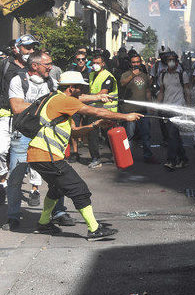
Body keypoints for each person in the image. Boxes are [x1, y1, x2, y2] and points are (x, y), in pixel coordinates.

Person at [28, 71, 142, 240]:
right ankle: (94, 229)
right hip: (47, 155)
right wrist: (125, 116)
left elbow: (74, 132)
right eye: (80, 87)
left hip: (39, 156)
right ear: (71, 88)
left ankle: (44, 223)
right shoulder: (63, 100)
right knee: (80, 190)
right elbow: (95, 111)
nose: (82, 90)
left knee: (57, 189)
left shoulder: (59, 101)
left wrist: (96, 125)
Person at [4, 52, 72, 231]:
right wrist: (46, 106)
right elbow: (17, 107)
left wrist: (96, 98)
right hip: (23, 136)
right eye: (47, 64)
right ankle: (13, 216)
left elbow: (65, 101)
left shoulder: (51, 82)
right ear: (35, 66)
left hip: (45, 137)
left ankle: (58, 212)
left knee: (57, 176)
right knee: (16, 179)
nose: (51, 67)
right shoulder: (18, 81)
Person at [0, 35, 40, 204]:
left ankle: (35, 189)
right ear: (17, 48)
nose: (30, 51)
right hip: (7, 116)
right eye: (27, 47)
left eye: (33, 48)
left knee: (34, 153)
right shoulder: (5, 64)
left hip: (30, 117)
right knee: (0, 151)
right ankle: (2, 182)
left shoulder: (36, 66)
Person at [120, 52, 157, 163]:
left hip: (143, 110)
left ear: (141, 63)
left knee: (145, 134)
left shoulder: (145, 76)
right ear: (130, 64)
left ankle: (148, 156)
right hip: (129, 110)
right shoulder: (126, 74)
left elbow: (147, 91)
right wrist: (133, 75)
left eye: (137, 62)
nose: (136, 64)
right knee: (129, 135)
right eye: (133, 62)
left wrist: (150, 105)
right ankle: (127, 157)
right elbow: (122, 83)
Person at [84, 53, 119, 169]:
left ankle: (118, 155)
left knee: (109, 135)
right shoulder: (91, 75)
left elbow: (103, 92)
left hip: (106, 111)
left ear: (103, 63)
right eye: (93, 63)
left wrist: (86, 99)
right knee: (92, 134)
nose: (95, 65)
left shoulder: (108, 76)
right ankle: (96, 159)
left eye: (97, 63)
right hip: (93, 110)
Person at [158, 51, 190, 170]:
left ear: (177, 61)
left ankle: (171, 160)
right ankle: (183, 159)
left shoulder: (182, 74)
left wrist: (188, 107)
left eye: (173, 60)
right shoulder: (163, 75)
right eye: (169, 60)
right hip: (167, 108)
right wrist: (157, 105)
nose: (171, 62)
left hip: (179, 107)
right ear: (166, 62)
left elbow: (187, 91)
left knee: (171, 135)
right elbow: (161, 91)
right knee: (174, 135)